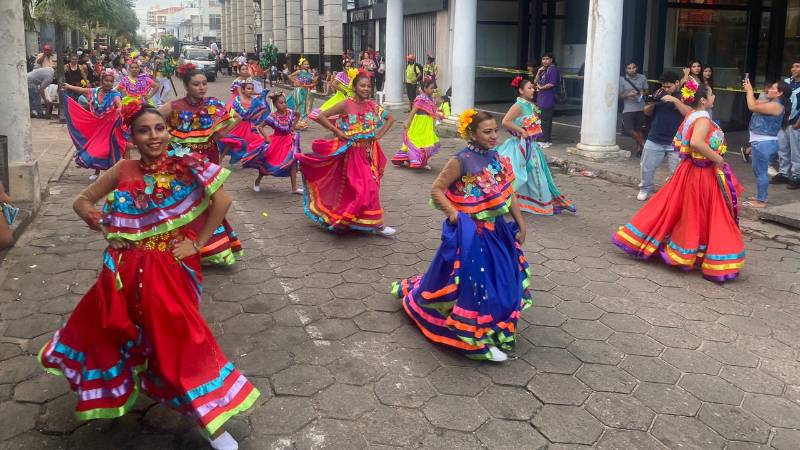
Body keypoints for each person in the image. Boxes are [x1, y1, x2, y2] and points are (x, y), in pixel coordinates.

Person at [38, 106, 259, 450]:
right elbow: (82, 201)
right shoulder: (122, 169)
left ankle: (209, 422)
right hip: (122, 272)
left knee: (182, 342)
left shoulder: (185, 164)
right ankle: (123, 388)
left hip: (166, 270)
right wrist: (107, 225)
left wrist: (197, 244)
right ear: (133, 137)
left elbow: (223, 200)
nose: (154, 136)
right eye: (144, 130)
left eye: (159, 128)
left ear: (168, 132)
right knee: (110, 333)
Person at [391, 109, 532, 361]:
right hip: (473, 235)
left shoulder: (496, 157)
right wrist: (455, 214)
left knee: (504, 282)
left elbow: (508, 193)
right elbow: (437, 190)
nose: (493, 136)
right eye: (486, 131)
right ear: (471, 133)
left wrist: (521, 224)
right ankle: (473, 341)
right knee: (476, 287)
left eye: (495, 131)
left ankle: (493, 328)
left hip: (497, 232)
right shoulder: (461, 160)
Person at [613, 80, 745, 283]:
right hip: (700, 173)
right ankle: (694, 250)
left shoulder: (695, 115)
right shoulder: (701, 119)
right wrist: (718, 158)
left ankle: (687, 248)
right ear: (702, 100)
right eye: (711, 94)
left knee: (683, 209)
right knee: (697, 212)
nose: (714, 97)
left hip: (693, 171)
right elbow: (696, 143)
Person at [159, 65, 242, 266]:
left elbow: (237, 117)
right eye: (196, 84)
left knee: (212, 200)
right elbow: (150, 119)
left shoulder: (214, 104)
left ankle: (211, 248)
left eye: (204, 83)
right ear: (187, 86)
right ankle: (180, 245)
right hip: (182, 163)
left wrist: (220, 133)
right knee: (184, 199)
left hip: (208, 158)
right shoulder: (174, 106)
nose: (202, 87)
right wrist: (163, 140)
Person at [299, 72, 397, 236]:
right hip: (351, 152)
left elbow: (391, 118)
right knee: (364, 186)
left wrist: (379, 135)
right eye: (362, 85)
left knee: (368, 186)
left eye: (368, 86)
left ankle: (362, 220)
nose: (366, 89)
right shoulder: (345, 104)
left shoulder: (372, 105)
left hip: (367, 152)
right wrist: (337, 131)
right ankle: (376, 224)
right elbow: (320, 115)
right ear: (354, 87)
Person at [497, 76, 575, 215]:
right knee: (519, 174)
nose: (533, 90)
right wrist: (521, 131)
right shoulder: (518, 106)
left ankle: (527, 201)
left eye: (533, 87)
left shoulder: (531, 105)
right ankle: (507, 200)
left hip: (532, 146)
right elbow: (505, 122)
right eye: (530, 88)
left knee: (535, 174)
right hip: (519, 147)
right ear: (521, 90)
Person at [637, 71, 693, 201]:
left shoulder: (685, 96)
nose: (666, 89)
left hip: (676, 142)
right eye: (664, 87)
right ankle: (645, 189)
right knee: (646, 167)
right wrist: (651, 103)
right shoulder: (658, 94)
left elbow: (689, 113)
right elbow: (647, 112)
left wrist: (674, 100)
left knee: (677, 171)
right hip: (655, 137)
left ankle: (675, 194)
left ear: (677, 83)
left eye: (669, 87)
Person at [63, 68, 125, 181]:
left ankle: (113, 172)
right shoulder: (95, 91)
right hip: (96, 125)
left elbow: (118, 103)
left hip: (110, 127)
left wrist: (120, 108)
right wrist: (69, 87)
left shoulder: (114, 93)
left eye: (111, 81)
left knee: (106, 149)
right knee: (94, 148)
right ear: (102, 80)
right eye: (106, 80)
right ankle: (96, 171)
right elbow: (82, 90)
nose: (109, 83)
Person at [743, 78, 790, 208]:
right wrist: (749, 91)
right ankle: (760, 196)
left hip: (763, 143)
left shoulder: (776, 105)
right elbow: (754, 102)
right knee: (758, 171)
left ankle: (761, 201)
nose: (769, 90)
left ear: (780, 93)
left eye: (773, 88)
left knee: (761, 172)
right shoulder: (771, 102)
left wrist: (750, 90)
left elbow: (752, 106)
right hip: (761, 142)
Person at [244, 92, 303, 193]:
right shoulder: (272, 116)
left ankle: (294, 188)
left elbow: (298, 115)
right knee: (267, 162)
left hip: (289, 141)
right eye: (281, 103)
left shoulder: (289, 112)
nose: (284, 104)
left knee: (293, 161)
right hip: (277, 142)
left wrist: (293, 127)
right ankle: (257, 181)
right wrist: (266, 137)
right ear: (275, 104)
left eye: (285, 102)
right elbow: (260, 126)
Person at [392, 79, 443, 169]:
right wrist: (408, 121)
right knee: (416, 142)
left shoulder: (431, 99)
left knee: (428, 143)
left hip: (428, 124)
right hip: (419, 124)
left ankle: (423, 161)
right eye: (431, 88)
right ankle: (410, 159)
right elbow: (413, 111)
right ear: (425, 88)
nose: (433, 90)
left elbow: (433, 111)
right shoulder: (421, 98)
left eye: (433, 88)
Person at [219, 78, 271, 163]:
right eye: (248, 88)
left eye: (252, 89)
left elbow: (254, 117)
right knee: (230, 143)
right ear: (243, 90)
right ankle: (220, 159)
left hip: (248, 127)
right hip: (237, 125)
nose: (251, 90)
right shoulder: (237, 100)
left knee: (255, 142)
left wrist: (260, 112)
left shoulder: (255, 101)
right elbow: (232, 111)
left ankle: (251, 159)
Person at [775, 59, 800, 189]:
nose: (794, 69)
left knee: (796, 151)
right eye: (792, 66)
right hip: (783, 121)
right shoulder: (786, 83)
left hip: (796, 122)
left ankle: (796, 175)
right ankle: (783, 173)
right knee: (782, 148)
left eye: (797, 66)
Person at [619, 62, 649, 152]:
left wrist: (642, 93)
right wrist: (628, 94)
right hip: (628, 108)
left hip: (641, 106)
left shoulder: (642, 78)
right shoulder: (622, 79)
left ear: (636, 68)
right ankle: (644, 144)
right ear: (626, 69)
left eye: (633, 67)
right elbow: (620, 95)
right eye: (629, 68)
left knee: (639, 129)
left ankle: (640, 150)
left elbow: (647, 91)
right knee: (629, 129)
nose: (631, 70)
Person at [533, 53, 559, 147]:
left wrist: (541, 87)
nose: (545, 61)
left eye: (547, 59)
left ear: (551, 60)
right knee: (539, 118)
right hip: (541, 98)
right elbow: (535, 82)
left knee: (545, 119)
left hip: (548, 98)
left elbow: (552, 84)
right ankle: (541, 139)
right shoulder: (544, 70)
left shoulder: (553, 69)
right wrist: (539, 71)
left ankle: (546, 140)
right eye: (543, 59)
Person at [287, 57, 317, 126]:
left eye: (308, 64)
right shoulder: (299, 72)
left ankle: (301, 121)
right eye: (305, 64)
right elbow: (289, 76)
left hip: (306, 91)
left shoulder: (310, 74)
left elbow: (313, 83)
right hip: (299, 90)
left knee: (304, 106)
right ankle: (297, 120)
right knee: (300, 104)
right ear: (302, 65)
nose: (307, 66)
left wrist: (314, 82)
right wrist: (295, 81)